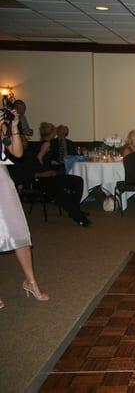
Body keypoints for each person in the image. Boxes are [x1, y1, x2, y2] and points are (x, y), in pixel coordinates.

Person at [0, 110, 49, 309]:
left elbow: (18, 153)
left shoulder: (2, 125)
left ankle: (31, 282)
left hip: (3, 183)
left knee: (19, 233)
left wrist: (12, 128)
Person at [9, 135, 91, 227]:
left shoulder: (30, 152)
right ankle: (79, 218)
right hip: (36, 181)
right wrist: (44, 174)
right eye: (24, 140)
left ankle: (75, 210)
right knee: (60, 193)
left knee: (77, 181)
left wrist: (50, 171)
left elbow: (40, 164)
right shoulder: (15, 158)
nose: (26, 142)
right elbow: (23, 176)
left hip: (47, 176)